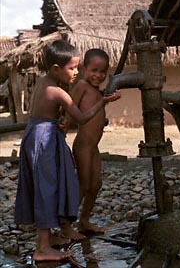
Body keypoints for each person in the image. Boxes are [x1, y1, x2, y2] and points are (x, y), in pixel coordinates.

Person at [14, 40, 120, 262]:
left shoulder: (45, 82)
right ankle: (42, 249)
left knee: (47, 186)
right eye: (72, 68)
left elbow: (54, 113)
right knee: (48, 189)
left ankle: (49, 238)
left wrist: (62, 121)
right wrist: (103, 102)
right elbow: (81, 117)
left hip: (40, 135)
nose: (75, 73)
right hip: (44, 140)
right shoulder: (59, 92)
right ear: (56, 69)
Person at [61, 48, 118, 238]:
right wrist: (65, 127)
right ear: (85, 68)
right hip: (83, 145)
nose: (98, 75)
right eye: (94, 70)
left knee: (96, 184)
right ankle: (66, 225)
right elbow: (71, 107)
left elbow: (98, 103)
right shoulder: (82, 86)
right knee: (84, 184)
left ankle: (84, 221)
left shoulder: (95, 90)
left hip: (93, 147)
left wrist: (108, 98)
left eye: (102, 72)